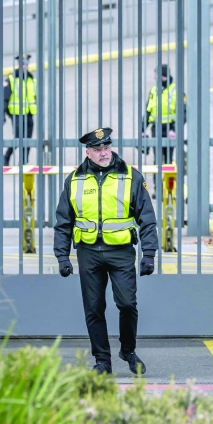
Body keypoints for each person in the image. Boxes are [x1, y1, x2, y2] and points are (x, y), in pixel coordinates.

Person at [54, 127, 159, 374]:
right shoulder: (74, 179)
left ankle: (128, 350)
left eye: (106, 147)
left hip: (121, 252)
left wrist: (149, 253)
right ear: (88, 152)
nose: (104, 153)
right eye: (98, 149)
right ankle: (102, 361)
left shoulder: (131, 177)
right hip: (88, 252)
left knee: (128, 304)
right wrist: (62, 256)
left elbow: (147, 218)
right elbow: (63, 221)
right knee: (93, 309)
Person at [3, 53, 36, 166]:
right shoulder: (11, 79)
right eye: (22, 63)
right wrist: (4, 114)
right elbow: (5, 98)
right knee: (18, 138)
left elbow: (34, 96)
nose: (24, 65)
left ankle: (23, 161)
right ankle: (6, 157)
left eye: (26, 63)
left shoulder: (31, 78)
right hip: (16, 114)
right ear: (17, 64)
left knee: (28, 139)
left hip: (29, 113)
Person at [143, 64, 179, 163]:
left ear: (163, 76)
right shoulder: (154, 90)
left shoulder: (176, 90)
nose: (154, 77)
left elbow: (183, 114)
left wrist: (174, 129)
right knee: (157, 159)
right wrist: (142, 129)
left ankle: (168, 172)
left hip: (170, 129)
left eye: (156, 75)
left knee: (168, 159)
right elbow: (148, 111)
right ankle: (157, 174)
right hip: (156, 129)